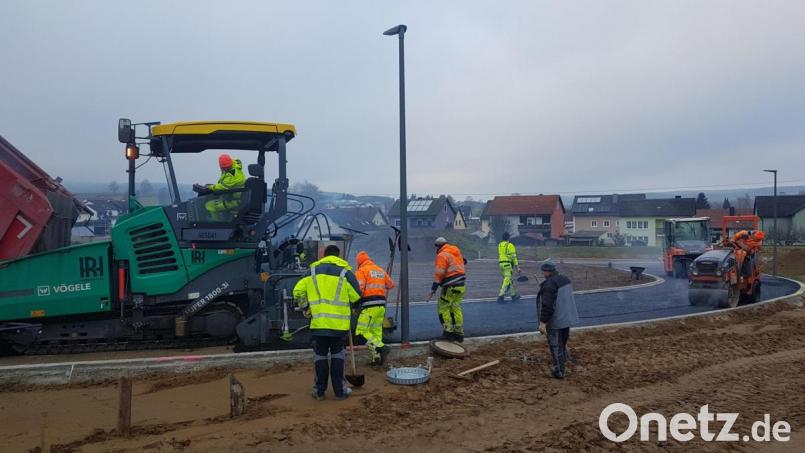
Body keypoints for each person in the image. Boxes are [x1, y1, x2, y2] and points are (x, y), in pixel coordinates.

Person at [293, 245, 361, 400]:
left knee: (320, 358)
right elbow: (357, 296)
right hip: (338, 327)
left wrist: (305, 307)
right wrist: (352, 306)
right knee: (338, 357)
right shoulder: (345, 273)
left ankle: (319, 391)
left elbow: (297, 292)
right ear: (339, 256)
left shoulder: (311, 272)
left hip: (319, 325)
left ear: (324, 255)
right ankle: (340, 392)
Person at [537, 261, 579, 379]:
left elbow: (547, 306)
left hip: (556, 320)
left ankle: (559, 371)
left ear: (546, 272)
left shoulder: (549, 285)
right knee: (562, 343)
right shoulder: (565, 279)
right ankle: (563, 362)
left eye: (543, 272)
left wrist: (542, 323)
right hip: (567, 318)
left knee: (556, 346)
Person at [354, 251, 395, 367]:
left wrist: (354, 305)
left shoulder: (361, 271)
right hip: (381, 306)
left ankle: (382, 348)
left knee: (361, 331)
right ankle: (376, 359)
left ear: (359, 262)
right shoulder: (379, 270)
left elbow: (359, 290)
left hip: (369, 306)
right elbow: (391, 285)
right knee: (376, 334)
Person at [428, 237, 467, 342]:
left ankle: (448, 333)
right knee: (456, 307)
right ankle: (459, 334)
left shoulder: (442, 255)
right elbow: (464, 261)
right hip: (461, 285)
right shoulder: (455, 250)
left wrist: (433, 288)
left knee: (443, 307)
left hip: (450, 286)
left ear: (438, 246)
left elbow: (439, 273)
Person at [202, 154, 245, 220]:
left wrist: (210, 187)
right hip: (231, 197)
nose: (225, 169)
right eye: (224, 167)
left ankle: (214, 225)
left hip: (234, 201)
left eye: (226, 167)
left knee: (209, 205)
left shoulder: (232, 175)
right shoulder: (234, 166)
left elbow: (223, 186)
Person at [497, 232, 521, 304]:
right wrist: (517, 267)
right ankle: (500, 296)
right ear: (508, 238)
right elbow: (514, 257)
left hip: (501, 264)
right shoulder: (510, 245)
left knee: (509, 280)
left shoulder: (500, 245)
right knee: (506, 280)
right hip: (507, 264)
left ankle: (513, 295)